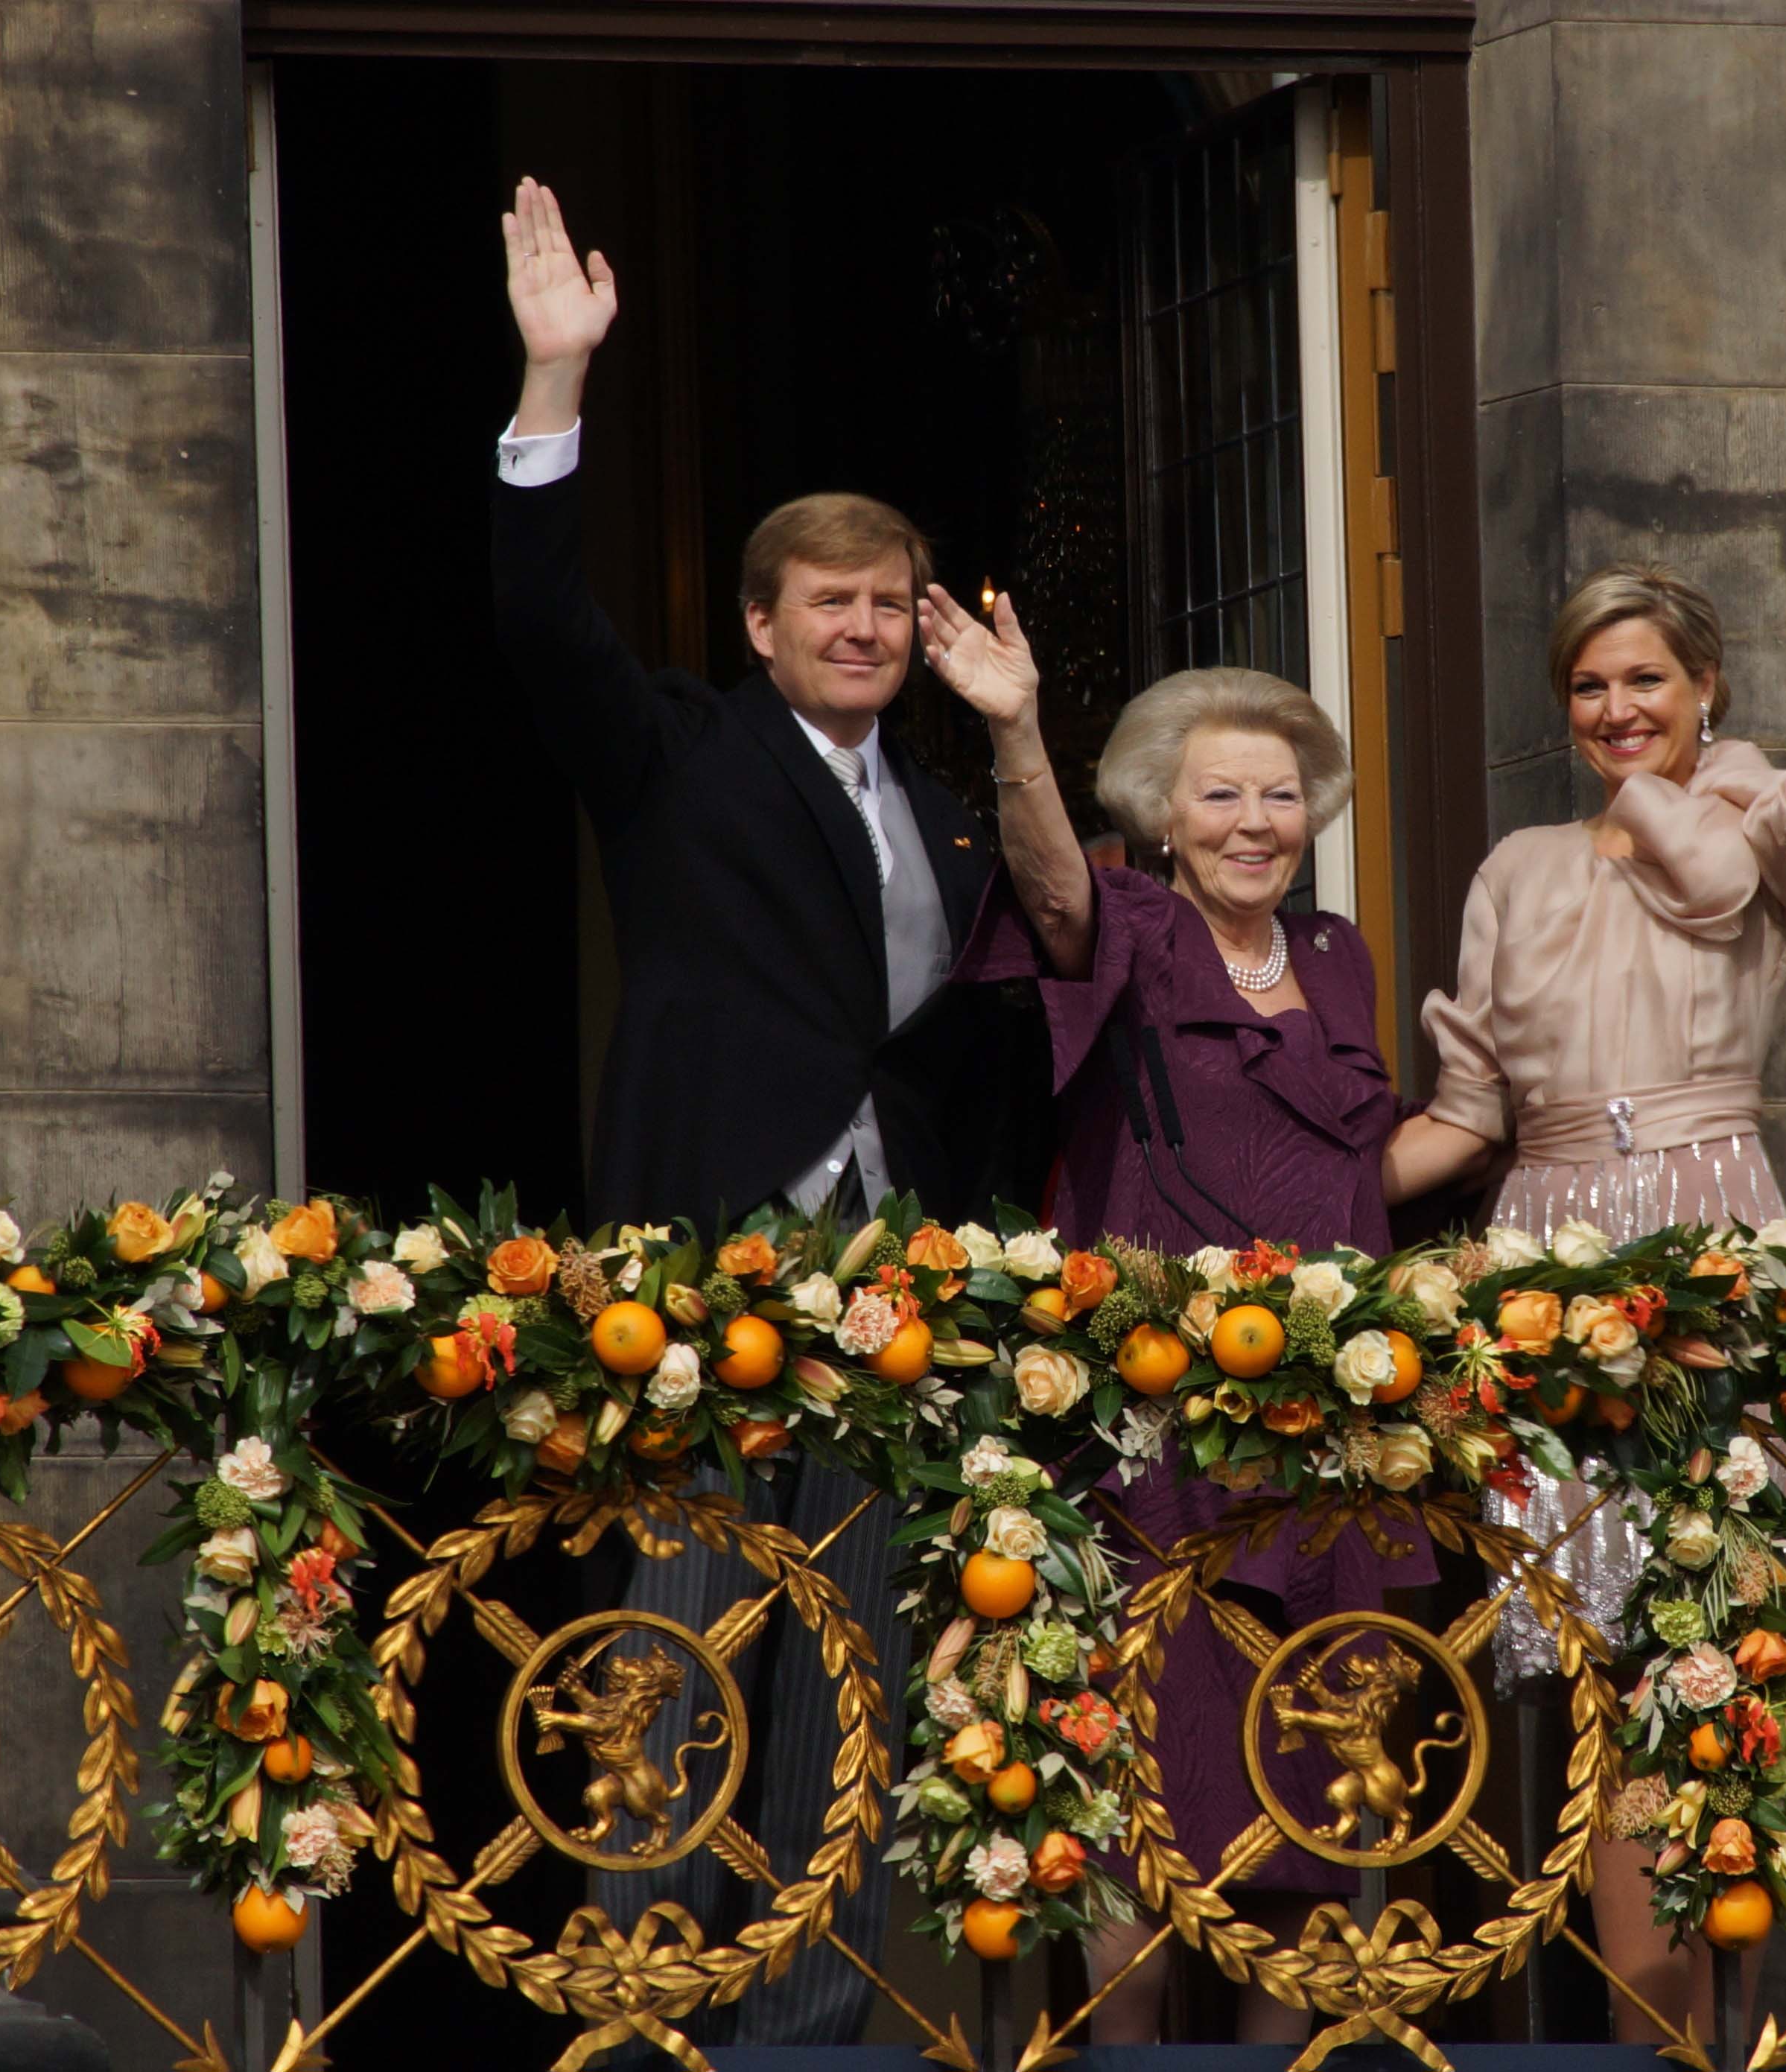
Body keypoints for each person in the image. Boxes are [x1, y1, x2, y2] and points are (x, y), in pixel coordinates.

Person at [488, 177, 1036, 2044]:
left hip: (895, 1268)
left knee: (859, 1653)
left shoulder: (948, 806)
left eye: (891, 602)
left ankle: (811, 2016)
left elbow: (1017, 982)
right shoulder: (677, 752)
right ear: (760, 618)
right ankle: (646, 1985)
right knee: (686, 1626)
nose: (867, 628)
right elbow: (537, 614)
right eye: (832, 603)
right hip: (707, 1246)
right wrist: (554, 378)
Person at [1381, 428, 1786, 2037]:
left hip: (1708, 1236)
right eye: (1589, 688)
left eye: (1645, 679)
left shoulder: (1754, 826)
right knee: (1583, 1668)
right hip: (1544, 1253)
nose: (1618, 709)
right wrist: (1277, 1204)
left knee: (1717, 1649)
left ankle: (1729, 2033)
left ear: (1702, 685)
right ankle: (1648, 2031)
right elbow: (1467, 1115)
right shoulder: (1519, 866)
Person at [922, 590, 1427, 2043]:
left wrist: (1498, 1104)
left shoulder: (1336, 955)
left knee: (1313, 1788)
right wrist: (1016, 725)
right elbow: (1051, 891)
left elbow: (1348, 1159)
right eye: (1221, 793)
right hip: (1155, 1437)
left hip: (1320, 1436)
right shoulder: (1127, 922)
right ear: (1162, 808)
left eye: (1280, 792)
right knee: (1145, 1783)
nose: (1255, 819)